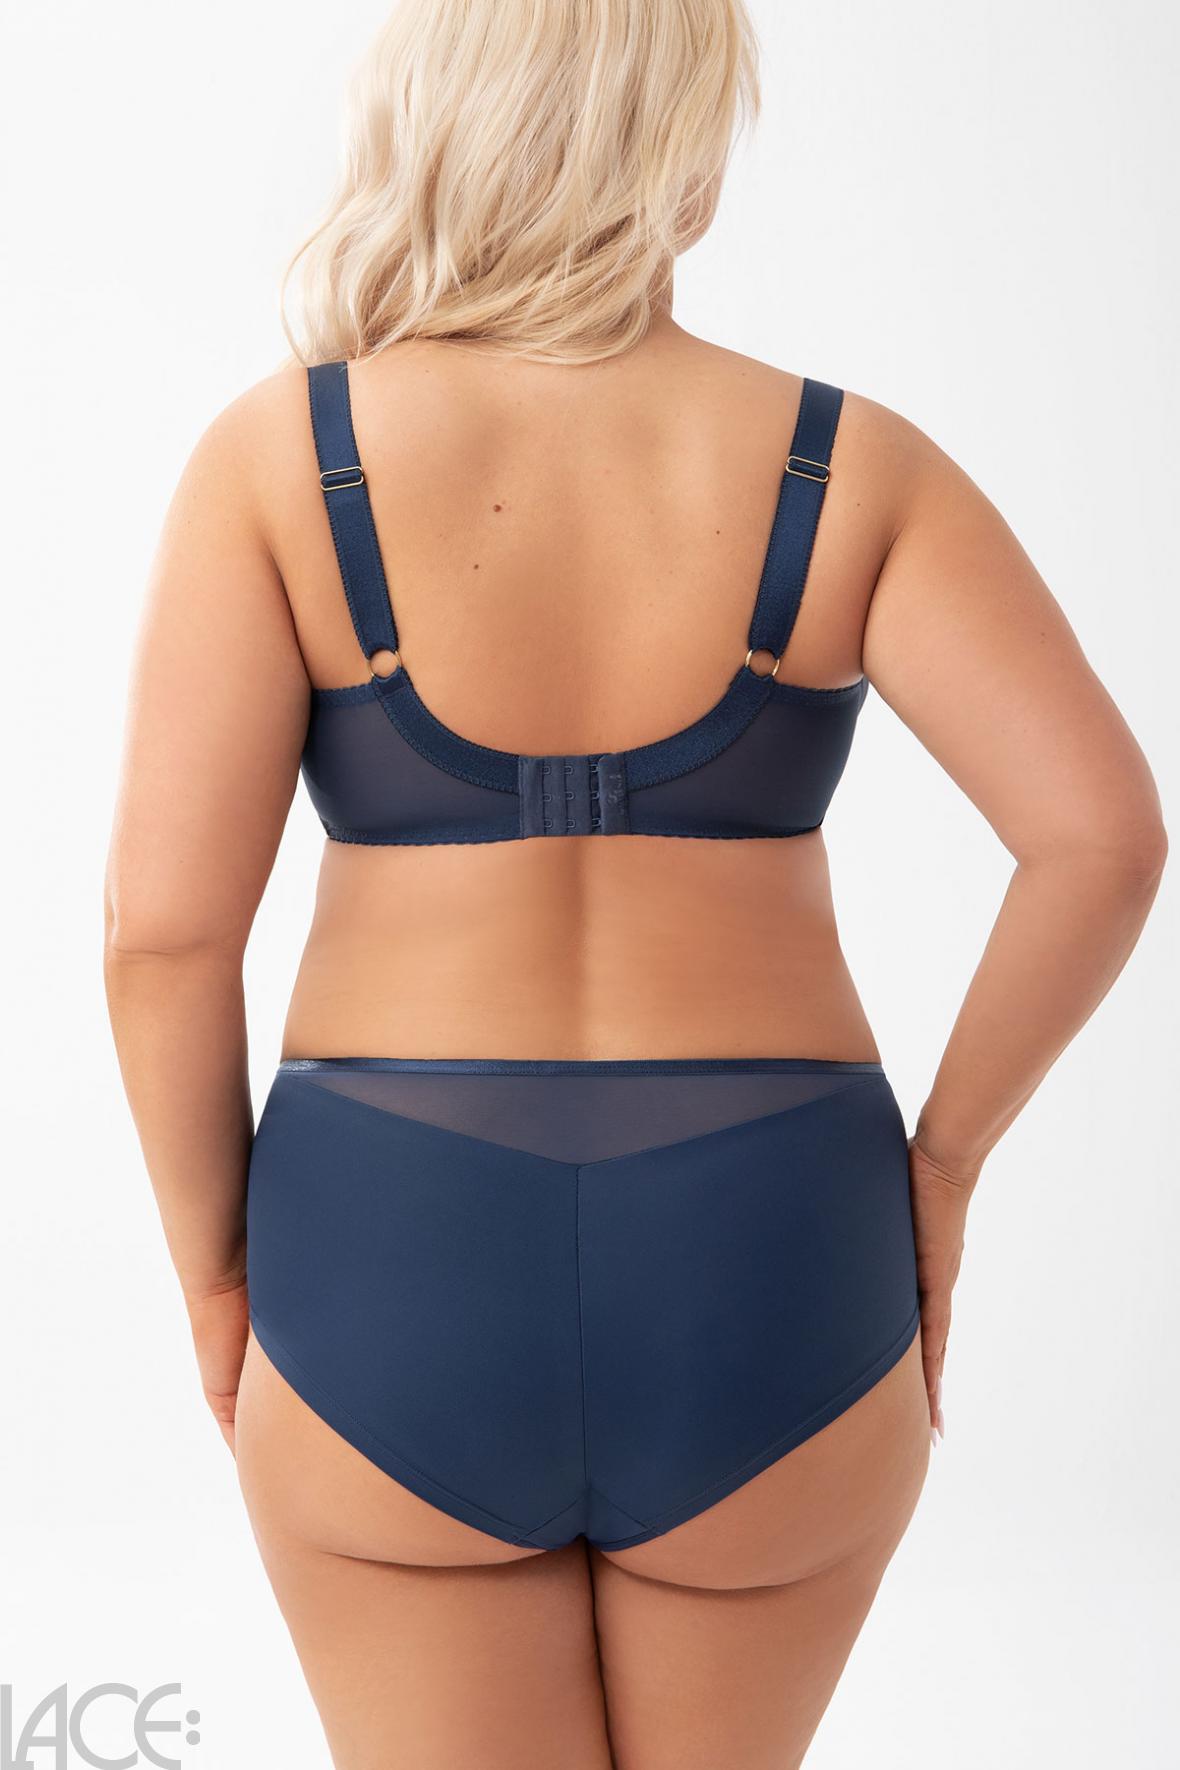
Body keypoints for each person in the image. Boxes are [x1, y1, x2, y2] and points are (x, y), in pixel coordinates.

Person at [102, 3, 1167, 1765]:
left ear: (432, 116)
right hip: (778, 1241)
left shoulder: (282, 461)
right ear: (681, 158)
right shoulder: (851, 465)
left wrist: (219, 1276)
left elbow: (161, 934)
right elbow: (1103, 839)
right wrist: (944, 1168)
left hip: (391, 1243)